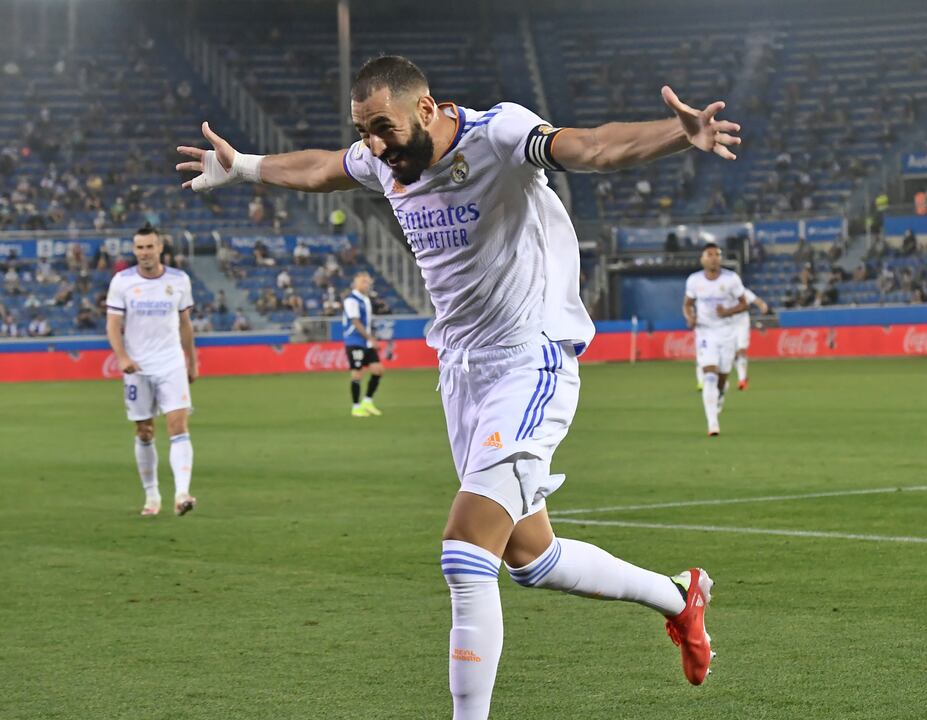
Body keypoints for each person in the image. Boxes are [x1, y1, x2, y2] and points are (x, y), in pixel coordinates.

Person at [177, 54, 736, 716]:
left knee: (466, 550)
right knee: (533, 558)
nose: (376, 146)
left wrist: (680, 134)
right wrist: (242, 166)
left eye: (383, 127)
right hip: (462, 373)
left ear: (425, 108)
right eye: (365, 131)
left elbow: (589, 147)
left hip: (530, 359)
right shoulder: (381, 158)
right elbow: (325, 167)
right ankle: (680, 595)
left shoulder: (497, 135)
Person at [105, 226, 199, 518]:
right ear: (134, 251)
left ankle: (182, 493)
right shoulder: (122, 282)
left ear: (160, 248)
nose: (144, 253)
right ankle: (152, 495)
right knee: (144, 430)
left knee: (178, 426)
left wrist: (192, 361)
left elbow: (185, 324)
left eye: (149, 247)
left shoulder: (179, 280)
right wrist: (122, 357)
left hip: (171, 363)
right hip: (138, 366)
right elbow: (112, 325)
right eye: (139, 248)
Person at [684, 243, 748, 436]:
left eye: (717, 255)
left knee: (722, 377)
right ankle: (713, 424)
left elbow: (744, 304)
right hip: (705, 333)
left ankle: (720, 394)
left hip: (727, 333)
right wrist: (690, 318)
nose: (713, 258)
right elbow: (687, 304)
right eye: (709, 254)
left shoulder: (731, 279)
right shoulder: (694, 280)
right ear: (702, 259)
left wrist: (727, 311)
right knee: (709, 376)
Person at [342, 272, 385, 418]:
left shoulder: (365, 300)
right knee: (357, 373)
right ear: (356, 283)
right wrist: (370, 338)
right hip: (354, 341)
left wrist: (371, 337)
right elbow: (355, 322)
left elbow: (367, 322)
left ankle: (367, 401)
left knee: (378, 370)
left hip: (366, 342)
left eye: (368, 282)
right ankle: (356, 407)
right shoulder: (351, 300)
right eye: (363, 282)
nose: (366, 285)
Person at [734, 289, 769, 390]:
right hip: (728, 326)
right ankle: (743, 376)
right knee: (733, 354)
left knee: (742, 349)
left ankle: (742, 380)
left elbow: (757, 301)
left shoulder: (744, 292)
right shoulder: (724, 292)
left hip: (742, 325)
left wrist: (763, 306)